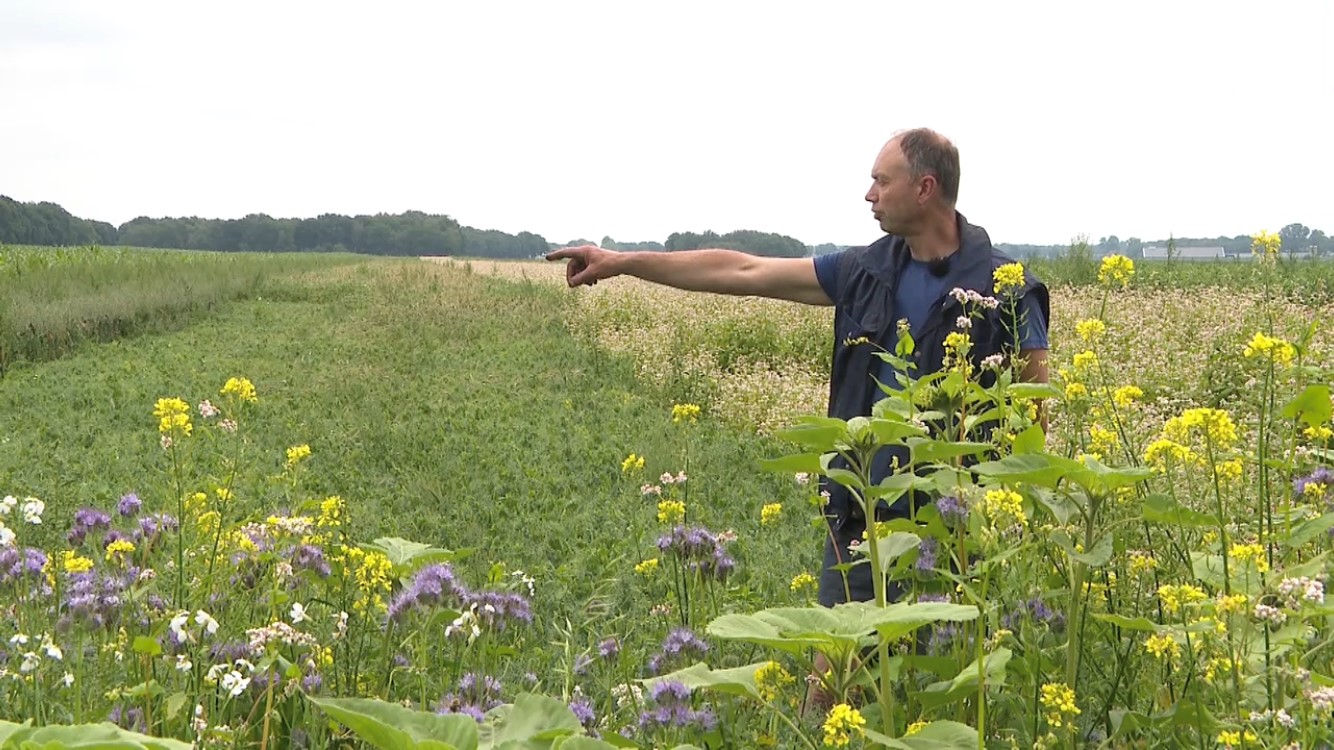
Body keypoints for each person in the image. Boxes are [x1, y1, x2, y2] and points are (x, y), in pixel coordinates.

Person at [546, 127, 1049, 609]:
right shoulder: (862, 272)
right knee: (835, 685)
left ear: (925, 188)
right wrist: (620, 261)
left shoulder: (1006, 288)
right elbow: (744, 271)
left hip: (952, 531)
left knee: (937, 685)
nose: (868, 194)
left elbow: (1033, 421)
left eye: (881, 180)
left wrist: (1009, 519)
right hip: (860, 520)